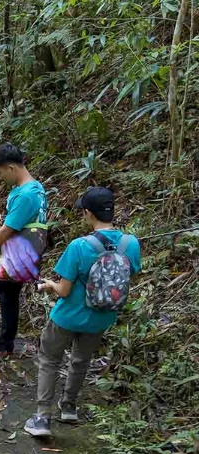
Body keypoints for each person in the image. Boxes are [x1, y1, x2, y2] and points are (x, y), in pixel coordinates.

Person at [24, 187, 141, 437]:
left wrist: (49, 285)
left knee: (49, 360)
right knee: (80, 361)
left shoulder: (79, 246)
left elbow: (64, 290)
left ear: (88, 213)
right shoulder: (131, 244)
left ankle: (42, 417)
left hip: (67, 316)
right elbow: (126, 277)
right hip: (101, 318)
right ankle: (69, 407)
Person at [0, 143, 48, 364]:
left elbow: (7, 229)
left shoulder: (26, 195)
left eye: (0, 172)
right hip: (26, 257)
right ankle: (7, 345)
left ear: (11, 167)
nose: (0, 177)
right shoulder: (38, 189)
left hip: (16, 257)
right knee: (9, 297)